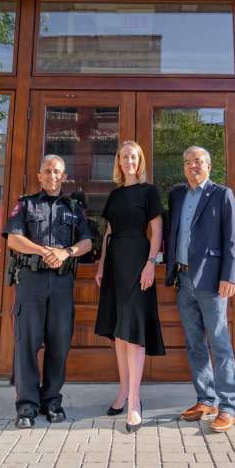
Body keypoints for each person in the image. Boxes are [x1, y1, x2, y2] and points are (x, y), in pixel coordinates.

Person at [2, 154, 93, 429]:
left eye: (57, 172)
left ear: (64, 177)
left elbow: (87, 242)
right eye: (47, 171)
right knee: (27, 344)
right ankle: (27, 407)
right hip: (31, 281)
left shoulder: (75, 209)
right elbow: (14, 240)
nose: (53, 176)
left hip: (62, 284)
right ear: (40, 176)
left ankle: (52, 402)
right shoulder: (26, 204)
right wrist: (45, 251)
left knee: (59, 343)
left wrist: (65, 253)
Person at [164, 145, 235, 432]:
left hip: (211, 281)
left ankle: (229, 406)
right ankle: (205, 398)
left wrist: (229, 276)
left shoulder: (222, 195)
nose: (192, 166)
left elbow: (231, 239)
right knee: (194, 343)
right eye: (187, 162)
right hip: (183, 281)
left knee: (219, 343)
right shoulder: (177, 195)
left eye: (197, 161)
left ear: (209, 165)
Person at [94, 141, 164, 433]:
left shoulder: (148, 192)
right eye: (124, 156)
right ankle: (122, 391)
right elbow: (109, 231)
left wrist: (151, 263)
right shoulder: (115, 194)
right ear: (118, 162)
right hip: (114, 265)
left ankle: (135, 402)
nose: (129, 161)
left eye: (133, 156)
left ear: (140, 160)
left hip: (138, 260)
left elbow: (157, 229)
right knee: (119, 335)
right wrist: (100, 264)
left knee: (133, 333)